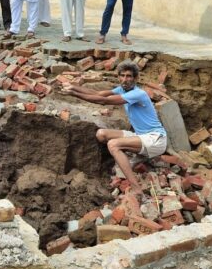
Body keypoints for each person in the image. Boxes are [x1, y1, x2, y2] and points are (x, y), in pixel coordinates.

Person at [67, 60, 167, 197]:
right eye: (122, 76)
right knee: (101, 134)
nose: (125, 79)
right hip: (140, 136)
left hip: (156, 139)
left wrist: (74, 94)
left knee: (113, 144)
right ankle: (131, 157)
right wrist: (72, 87)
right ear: (118, 77)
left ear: (136, 78)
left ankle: (136, 188)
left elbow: (104, 101)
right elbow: (99, 94)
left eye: (129, 76)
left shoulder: (138, 94)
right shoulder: (121, 89)